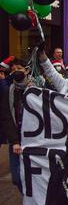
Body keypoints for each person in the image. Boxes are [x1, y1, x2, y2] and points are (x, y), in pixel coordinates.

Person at [1, 58, 33, 194]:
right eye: (13, 70)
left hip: (33, 140)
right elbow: (6, 116)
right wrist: (14, 141)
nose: (16, 72)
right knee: (17, 178)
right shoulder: (8, 91)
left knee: (33, 176)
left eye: (19, 69)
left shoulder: (36, 89)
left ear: (26, 70)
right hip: (17, 141)